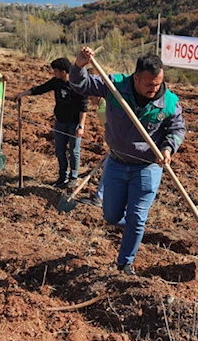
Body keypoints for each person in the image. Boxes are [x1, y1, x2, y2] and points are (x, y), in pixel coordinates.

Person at [70, 49, 186, 275]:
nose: (154, 89)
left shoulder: (169, 102)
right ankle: (134, 228)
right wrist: (79, 66)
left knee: (137, 216)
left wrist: (168, 147)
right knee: (111, 216)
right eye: (149, 85)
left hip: (147, 167)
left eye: (158, 84)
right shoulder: (115, 85)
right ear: (136, 78)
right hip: (116, 162)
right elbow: (80, 85)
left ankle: (125, 262)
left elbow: (177, 128)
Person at [16, 57, 88, 188]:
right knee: (60, 151)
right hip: (60, 122)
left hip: (74, 124)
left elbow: (84, 107)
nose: (54, 73)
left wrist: (81, 126)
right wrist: (24, 93)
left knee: (74, 151)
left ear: (63, 72)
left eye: (55, 71)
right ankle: (62, 176)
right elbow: (41, 88)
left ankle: (73, 177)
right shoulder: (56, 82)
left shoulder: (76, 84)